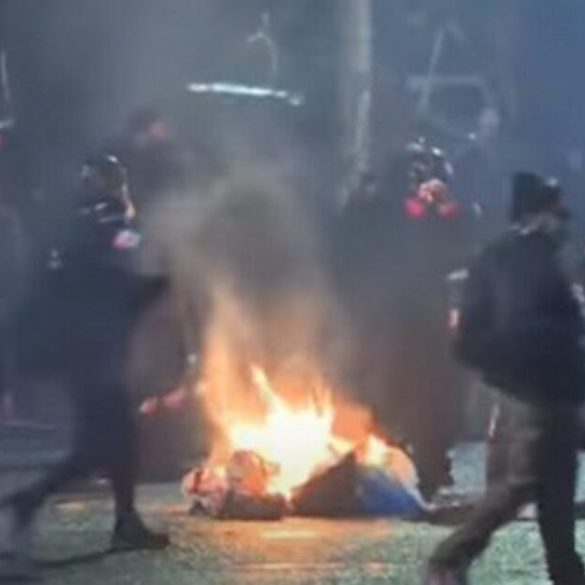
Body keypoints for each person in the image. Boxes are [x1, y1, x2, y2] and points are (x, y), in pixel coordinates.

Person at [1, 155, 170, 573]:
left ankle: (123, 520)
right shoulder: (110, 220)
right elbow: (112, 276)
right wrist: (153, 286)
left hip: (84, 349)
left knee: (115, 442)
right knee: (102, 445)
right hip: (96, 351)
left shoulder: (74, 221)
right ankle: (32, 500)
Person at [426, 172, 585, 585]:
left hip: (532, 393)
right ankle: (448, 559)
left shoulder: (506, 257)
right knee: (522, 487)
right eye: (554, 212)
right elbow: (535, 330)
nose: (561, 221)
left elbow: (473, 336)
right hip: (543, 395)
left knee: (552, 501)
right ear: (536, 214)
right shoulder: (529, 262)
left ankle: (567, 575)